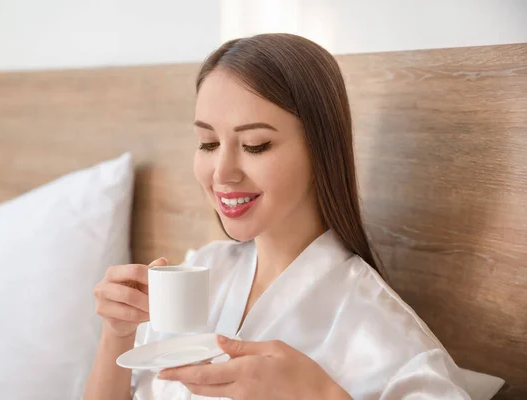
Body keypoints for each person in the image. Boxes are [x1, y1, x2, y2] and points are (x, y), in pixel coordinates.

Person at [84, 33, 470, 400]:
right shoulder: (201, 271)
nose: (222, 173)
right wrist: (117, 335)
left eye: (256, 145)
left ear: (320, 149)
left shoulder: (376, 326)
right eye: (208, 143)